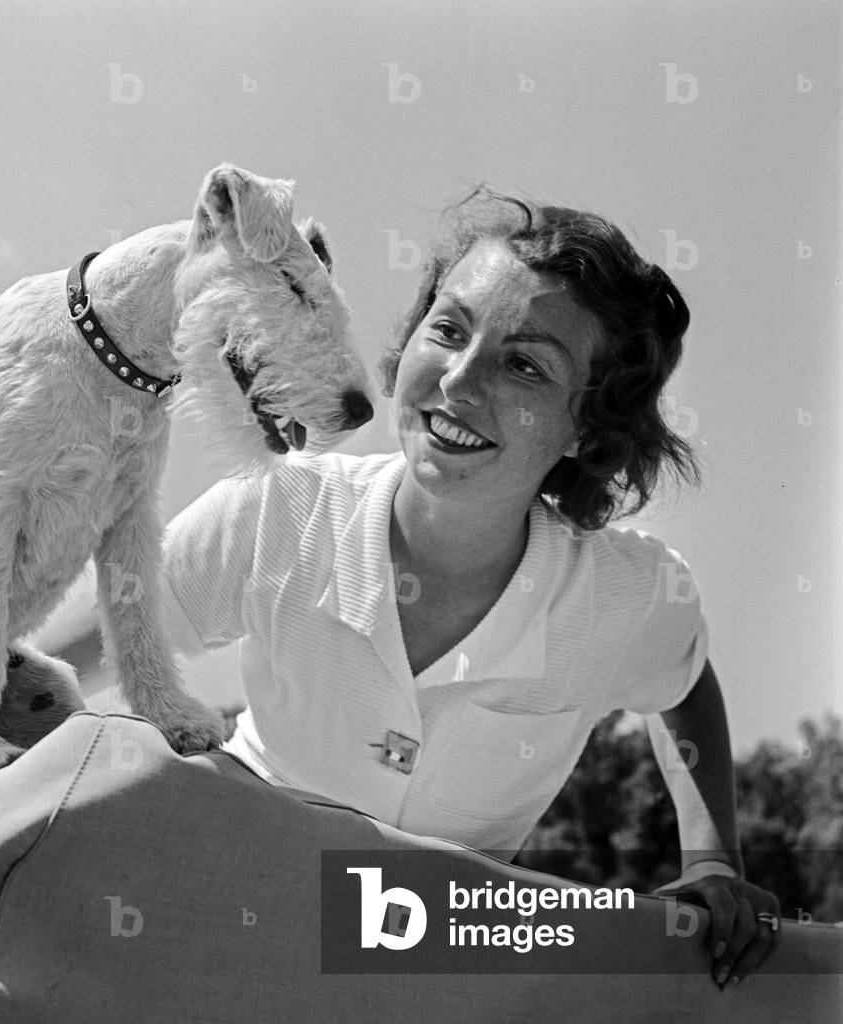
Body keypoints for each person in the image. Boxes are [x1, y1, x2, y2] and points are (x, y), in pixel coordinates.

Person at [147, 189, 780, 984]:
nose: (459, 378)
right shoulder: (281, 507)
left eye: (525, 364)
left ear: (587, 428)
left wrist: (714, 857)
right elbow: (97, 637)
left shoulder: (627, 595)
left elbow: (683, 679)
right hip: (222, 915)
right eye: (447, 329)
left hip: (433, 966)